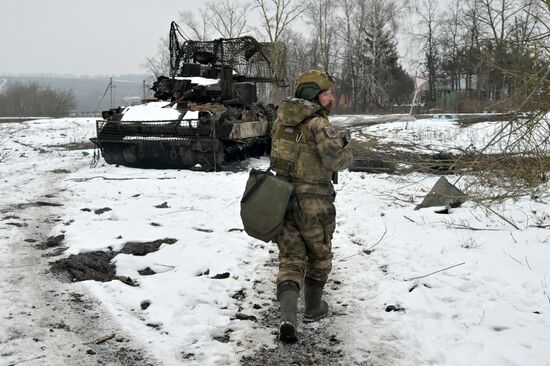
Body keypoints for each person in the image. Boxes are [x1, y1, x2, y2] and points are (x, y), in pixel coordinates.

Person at [269, 69, 353, 342]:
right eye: (326, 93)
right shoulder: (319, 125)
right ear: (313, 96)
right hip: (315, 203)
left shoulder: (280, 122)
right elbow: (335, 162)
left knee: (290, 259)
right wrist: (346, 147)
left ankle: (288, 317)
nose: (331, 97)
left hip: (282, 199)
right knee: (319, 256)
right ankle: (314, 308)